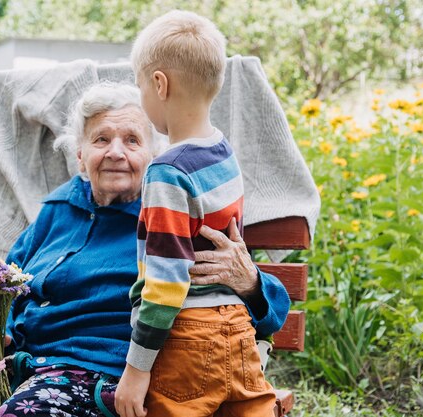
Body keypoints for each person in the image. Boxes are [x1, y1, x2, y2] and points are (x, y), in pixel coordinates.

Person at [0, 82, 290, 417]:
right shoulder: (58, 209)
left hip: (100, 375)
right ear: (80, 155)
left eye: (132, 140)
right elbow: (7, 287)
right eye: (101, 140)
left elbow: (258, 309)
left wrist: (250, 283)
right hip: (21, 365)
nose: (116, 152)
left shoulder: (169, 219)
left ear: (153, 156)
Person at [114, 11, 282, 417]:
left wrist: (136, 371)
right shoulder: (223, 151)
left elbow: (166, 280)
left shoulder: (166, 172)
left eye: (140, 86)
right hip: (239, 331)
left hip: (188, 340)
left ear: (159, 84)